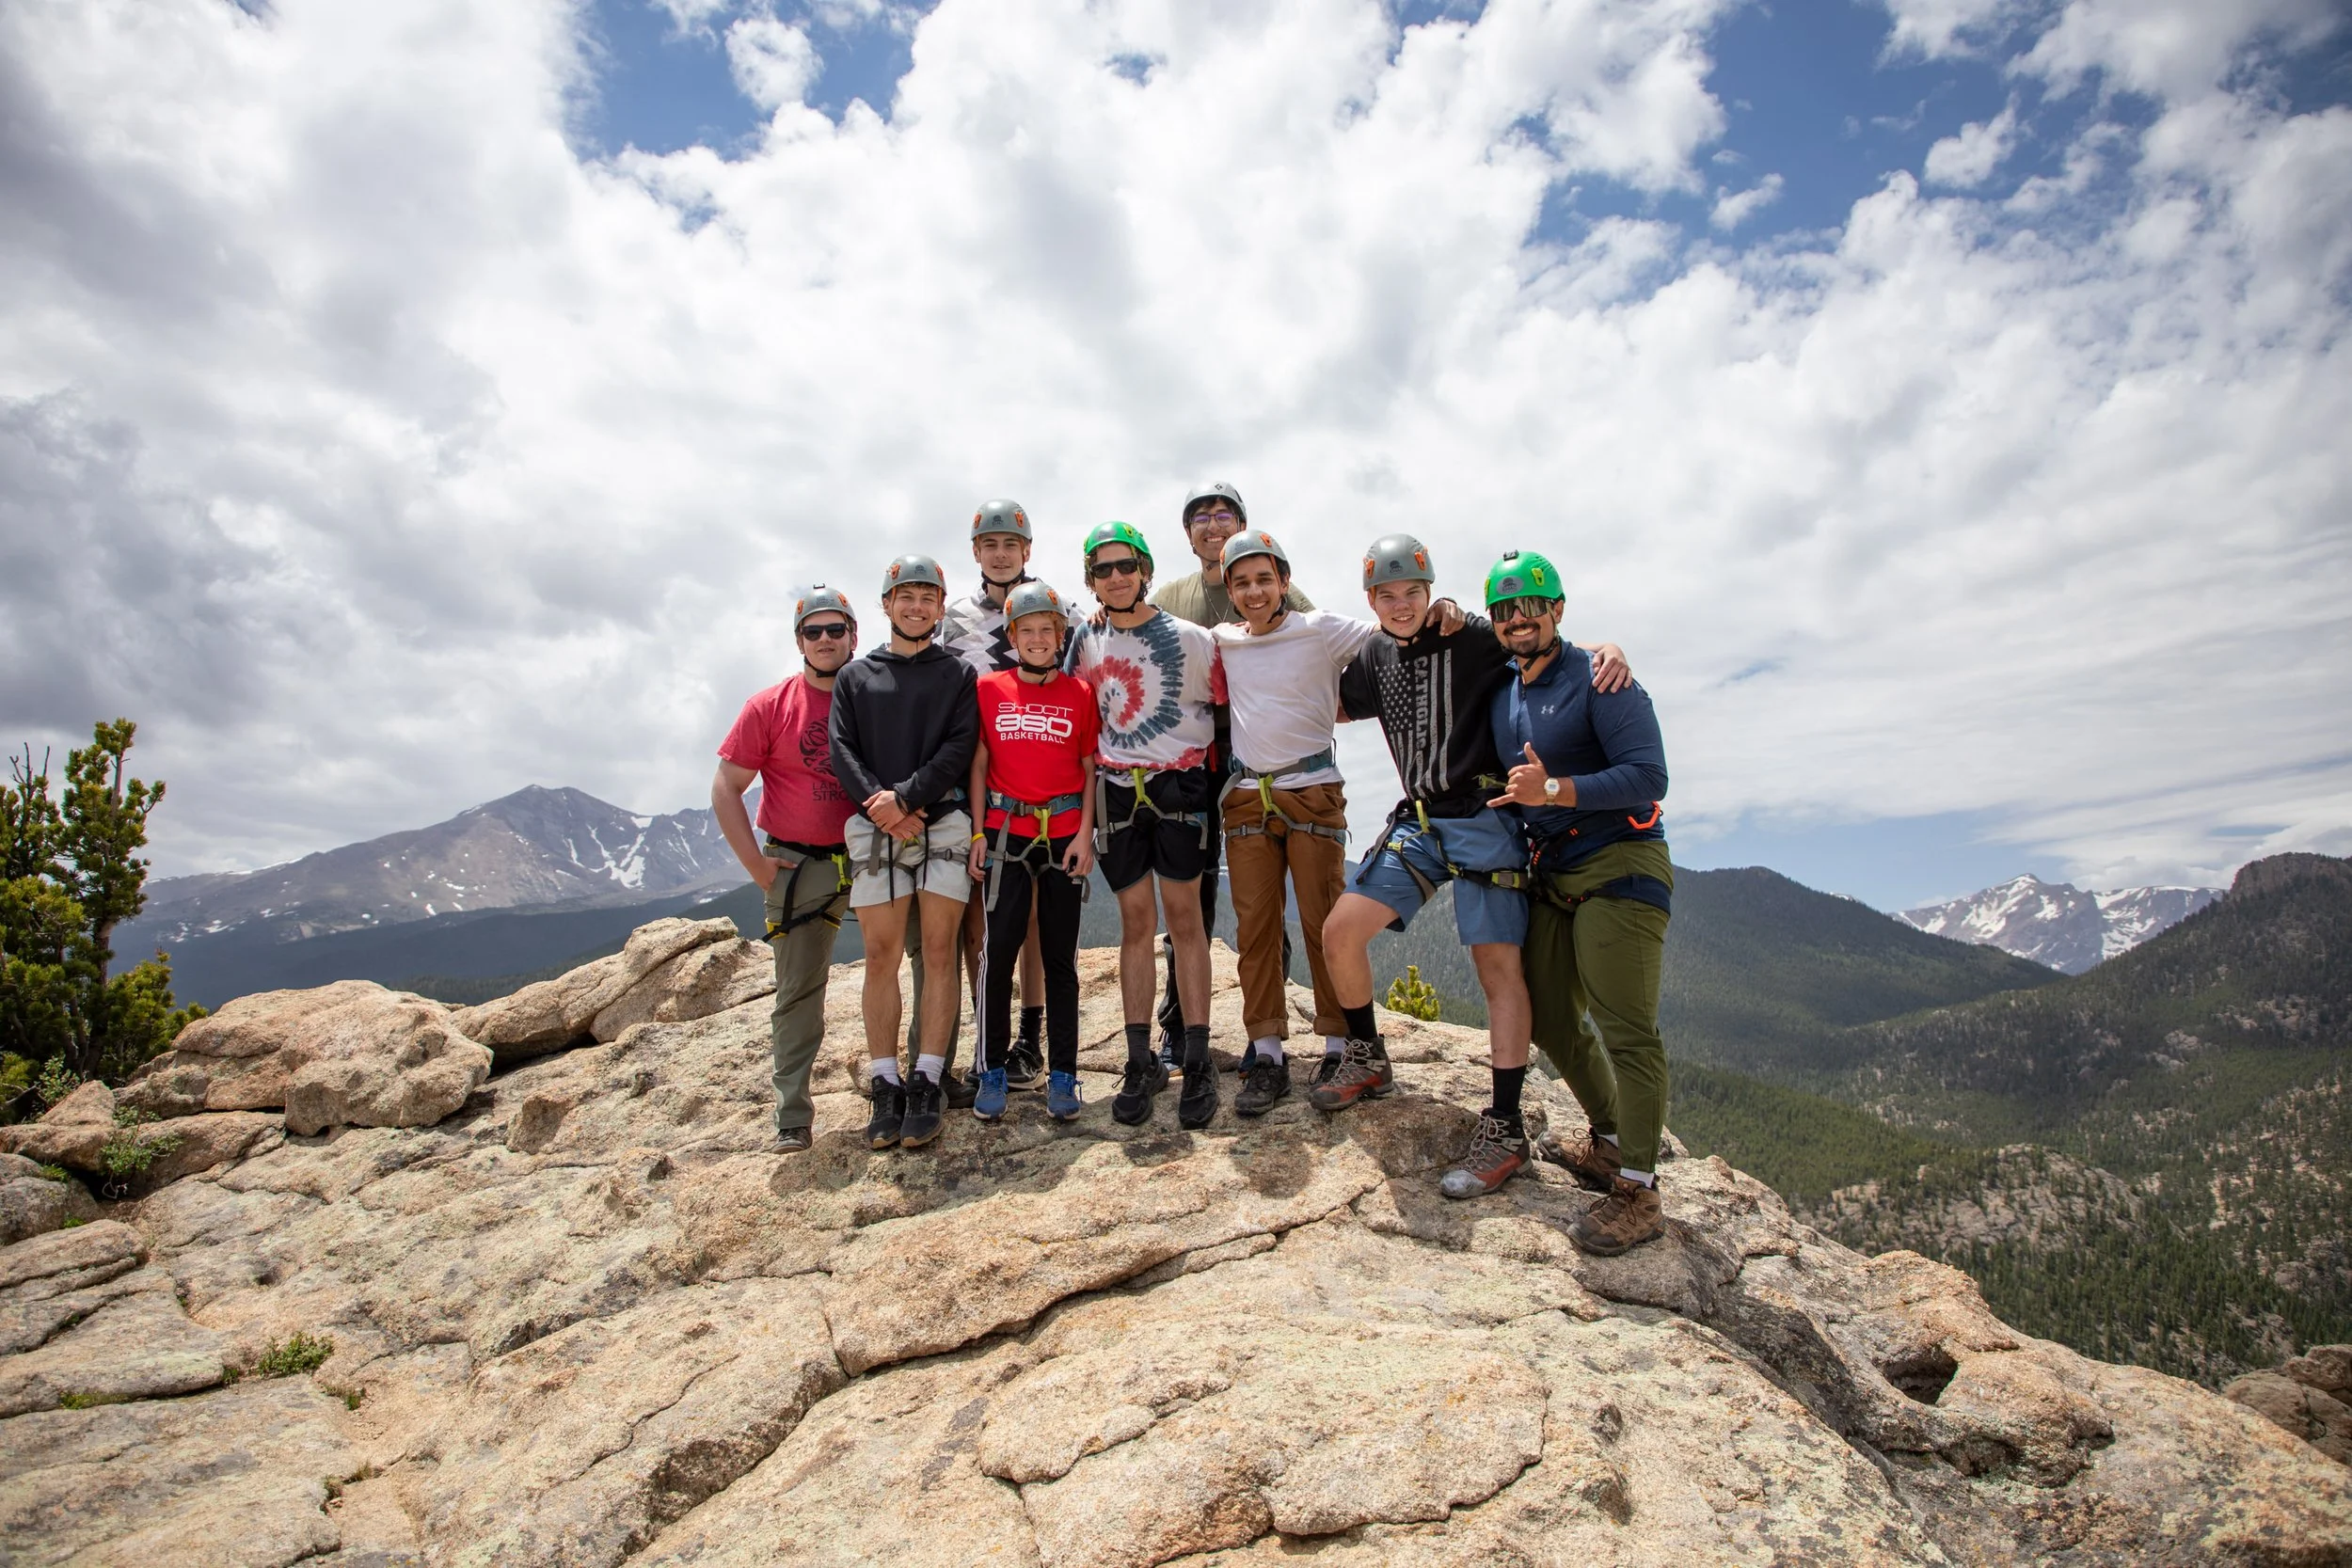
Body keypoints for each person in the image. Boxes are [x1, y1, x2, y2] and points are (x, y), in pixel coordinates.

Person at [1310, 536, 1630, 1202]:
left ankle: (1506, 1124)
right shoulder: (1372, 655)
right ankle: (1367, 1054)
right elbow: (1332, 702)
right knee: (1341, 931)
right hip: (1422, 820)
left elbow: (1541, 643)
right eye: (1386, 595)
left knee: (1497, 970)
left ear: (1431, 591)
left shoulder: (1474, 636)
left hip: (1487, 818)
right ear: (1370, 601)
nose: (1401, 605)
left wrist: (1607, 650)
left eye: (1412, 592)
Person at [1212, 527, 1459, 1117]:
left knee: (1326, 918)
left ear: (1284, 581)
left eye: (1264, 579)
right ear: (1229, 590)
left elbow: (1398, 629)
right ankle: (1266, 1050)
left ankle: (1337, 1042)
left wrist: (1449, 609)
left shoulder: (1320, 629)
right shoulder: (1221, 640)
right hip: (1247, 794)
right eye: (1242, 583)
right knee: (1256, 927)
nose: (1254, 592)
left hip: (1313, 790)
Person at [1483, 549, 1673, 1255]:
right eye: (1503, 609)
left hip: (1619, 863)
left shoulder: (1602, 679)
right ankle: (1609, 1141)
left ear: (1558, 608)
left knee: (1627, 1030)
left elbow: (1649, 775)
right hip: (1553, 870)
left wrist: (1556, 790)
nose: (1516, 619)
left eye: (1531, 604)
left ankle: (1638, 1190)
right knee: (1554, 1016)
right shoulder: (1503, 680)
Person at [1146, 483, 1313, 1068]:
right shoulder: (1169, 597)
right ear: (1187, 533)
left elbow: (1325, 646)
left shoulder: (1275, 589)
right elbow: (1132, 637)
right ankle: (1177, 1026)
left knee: (1262, 902)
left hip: (1259, 762)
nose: (1213, 526)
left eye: (1224, 515)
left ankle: (1263, 1032)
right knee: (1190, 900)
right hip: (1191, 763)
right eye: (1200, 518)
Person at [1066, 521, 1224, 1130]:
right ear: (1092, 580)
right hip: (1115, 791)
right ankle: (1139, 1060)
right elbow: (1080, 724)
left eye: (1124, 566)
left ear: (1145, 569)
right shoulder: (1085, 641)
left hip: (1179, 786)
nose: (1115, 577)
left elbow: (1226, 707)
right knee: (1137, 922)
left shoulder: (1190, 639)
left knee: (1185, 920)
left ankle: (1197, 1056)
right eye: (1102, 570)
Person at [830, 554, 979, 1152]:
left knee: (940, 950)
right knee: (880, 954)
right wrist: (881, 804)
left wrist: (906, 798)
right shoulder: (856, 677)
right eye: (905, 597)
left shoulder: (957, 676)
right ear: (886, 605)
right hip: (877, 825)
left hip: (940, 821)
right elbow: (841, 747)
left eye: (927, 598)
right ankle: (886, 1080)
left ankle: (929, 1076)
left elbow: (961, 743)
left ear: (942, 607)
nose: (916, 607)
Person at [709, 586, 862, 1153]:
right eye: (813, 632)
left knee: (925, 961)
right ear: (799, 640)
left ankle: (919, 1082)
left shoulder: (874, 694)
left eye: (836, 630)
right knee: (799, 992)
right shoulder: (769, 706)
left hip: (873, 857)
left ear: (854, 635)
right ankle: (792, 1115)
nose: (825, 641)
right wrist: (757, 867)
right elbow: (727, 786)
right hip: (799, 862)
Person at [939, 499, 1060, 1093]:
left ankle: (1028, 1042)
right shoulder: (954, 617)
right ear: (976, 552)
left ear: (1027, 550)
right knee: (980, 920)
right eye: (991, 545)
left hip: (1037, 781)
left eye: (1011, 543)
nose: (1001, 552)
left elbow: (1080, 683)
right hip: (973, 778)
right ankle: (988, 1037)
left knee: (1032, 916)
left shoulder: (1057, 608)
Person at [965, 581, 1098, 1122]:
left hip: (1064, 834)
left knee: (1060, 959)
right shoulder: (989, 690)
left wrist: (1087, 834)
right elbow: (978, 765)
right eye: (1028, 631)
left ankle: (1063, 1074)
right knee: (999, 955)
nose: (1038, 639)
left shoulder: (1080, 694)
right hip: (1005, 834)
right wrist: (977, 833)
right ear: (1011, 635)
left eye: (1048, 630)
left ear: (1060, 636)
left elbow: (1091, 769)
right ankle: (992, 1067)